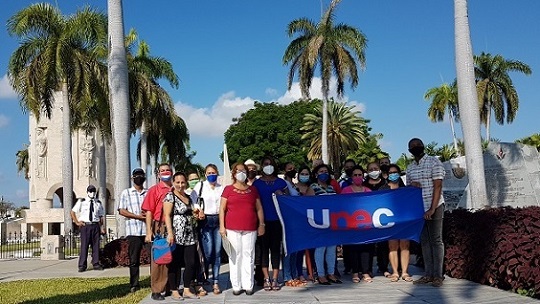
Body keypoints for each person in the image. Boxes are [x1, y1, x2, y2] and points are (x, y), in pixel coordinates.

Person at [219, 162, 265, 296]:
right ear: (234, 173)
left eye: (243, 171)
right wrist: (222, 226)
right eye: (238, 171)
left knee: (249, 255)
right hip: (232, 228)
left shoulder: (253, 190)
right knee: (235, 256)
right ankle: (236, 285)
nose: (241, 173)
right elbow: (222, 209)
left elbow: (259, 208)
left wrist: (261, 224)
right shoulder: (228, 189)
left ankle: (248, 284)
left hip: (250, 228)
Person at [406, 138, 445, 287]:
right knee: (425, 242)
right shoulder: (410, 168)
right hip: (419, 209)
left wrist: (432, 208)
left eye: (417, 145)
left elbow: (438, 186)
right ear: (409, 150)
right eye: (412, 147)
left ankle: (438, 275)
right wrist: (413, 186)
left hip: (434, 206)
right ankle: (428, 274)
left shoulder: (434, 162)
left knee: (436, 240)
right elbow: (409, 189)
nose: (415, 148)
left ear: (423, 146)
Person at [253, 156, 288, 291]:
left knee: (275, 250)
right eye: (266, 164)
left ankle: (275, 278)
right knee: (262, 251)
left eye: (270, 164)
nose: (268, 166)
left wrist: (282, 195)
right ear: (262, 166)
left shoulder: (281, 182)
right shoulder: (257, 184)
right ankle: (266, 278)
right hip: (262, 222)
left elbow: (288, 200)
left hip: (277, 221)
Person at [163, 172, 200, 300]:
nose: (180, 185)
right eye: (177, 182)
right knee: (175, 263)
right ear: (173, 183)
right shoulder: (170, 196)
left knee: (191, 262)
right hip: (176, 234)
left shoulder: (189, 197)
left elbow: (191, 212)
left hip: (190, 234)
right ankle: (174, 290)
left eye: (182, 182)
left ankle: (186, 289)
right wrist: (170, 233)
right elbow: (167, 215)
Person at [190, 164, 224, 294]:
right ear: (205, 174)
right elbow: (193, 200)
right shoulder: (201, 186)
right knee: (208, 253)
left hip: (218, 220)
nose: (211, 175)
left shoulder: (222, 188)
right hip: (205, 221)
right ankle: (201, 279)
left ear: (217, 173)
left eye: (213, 172)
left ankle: (216, 282)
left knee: (217, 253)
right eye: (209, 173)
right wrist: (198, 210)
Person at [142, 163, 174, 301]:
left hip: (176, 226)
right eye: (162, 170)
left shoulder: (176, 188)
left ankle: (169, 287)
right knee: (160, 259)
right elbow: (149, 212)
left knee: (173, 259)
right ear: (158, 174)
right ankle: (156, 290)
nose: (165, 172)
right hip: (160, 227)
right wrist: (149, 231)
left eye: (167, 170)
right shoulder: (154, 190)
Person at [309, 163, 342, 285]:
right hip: (318, 223)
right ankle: (321, 275)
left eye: (326, 172)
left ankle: (331, 273)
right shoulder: (313, 187)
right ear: (316, 174)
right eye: (321, 171)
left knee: (331, 249)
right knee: (320, 248)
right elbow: (308, 204)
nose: (324, 174)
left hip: (331, 222)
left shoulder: (331, 188)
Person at [341, 165, 374, 283]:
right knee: (353, 249)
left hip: (365, 225)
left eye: (360, 175)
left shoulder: (368, 191)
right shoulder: (345, 191)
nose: (358, 177)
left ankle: (365, 272)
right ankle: (355, 272)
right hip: (351, 225)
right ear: (351, 177)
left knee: (366, 249)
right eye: (355, 175)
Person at [380, 164, 413, 282]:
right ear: (387, 175)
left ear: (399, 174)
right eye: (391, 172)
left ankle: (404, 272)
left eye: (395, 172)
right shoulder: (382, 190)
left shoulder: (406, 190)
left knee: (405, 245)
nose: (393, 174)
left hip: (403, 220)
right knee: (392, 246)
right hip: (389, 221)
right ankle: (394, 272)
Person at [118, 168, 148, 292]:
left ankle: (155, 282)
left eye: (141, 175)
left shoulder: (148, 192)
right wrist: (137, 216)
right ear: (132, 178)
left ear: (144, 178)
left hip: (147, 231)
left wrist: (146, 215)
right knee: (134, 260)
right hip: (133, 231)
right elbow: (121, 210)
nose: (139, 177)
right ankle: (134, 284)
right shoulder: (126, 193)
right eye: (136, 175)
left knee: (154, 258)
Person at [364, 162, 391, 278]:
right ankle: (368, 269)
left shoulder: (386, 185)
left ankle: (383, 267)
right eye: (371, 169)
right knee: (368, 245)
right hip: (366, 218)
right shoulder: (364, 186)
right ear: (367, 171)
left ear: (379, 170)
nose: (373, 171)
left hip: (382, 218)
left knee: (383, 244)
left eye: (375, 168)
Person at [71, 185, 105, 272]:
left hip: (95, 226)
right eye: (90, 191)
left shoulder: (98, 203)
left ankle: (96, 263)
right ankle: (82, 265)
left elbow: (101, 216)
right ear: (87, 192)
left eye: (93, 191)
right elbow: (72, 212)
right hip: (85, 226)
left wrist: (102, 227)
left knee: (96, 246)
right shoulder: (82, 201)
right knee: (84, 246)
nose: (92, 193)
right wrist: (77, 222)